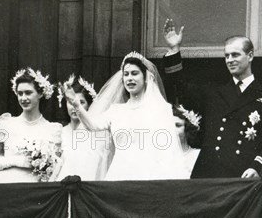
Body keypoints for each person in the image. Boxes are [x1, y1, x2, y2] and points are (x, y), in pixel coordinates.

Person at [163, 19, 262, 179]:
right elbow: (182, 90)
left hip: (244, 174)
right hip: (211, 174)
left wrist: (257, 166)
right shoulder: (213, 93)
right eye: (226, 56)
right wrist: (174, 50)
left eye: (235, 55)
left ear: (251, 55)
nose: (230, 60)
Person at [69, 52, 189, 180]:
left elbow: (167, 153)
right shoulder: (116, 111)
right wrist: (77, 106)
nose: (129, 78)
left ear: (146, 78)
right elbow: (92, 125)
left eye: (134, 73)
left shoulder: (160, 109)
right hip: (119, 174)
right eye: (126, 74)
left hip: (149, 176)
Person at [0, 68, 62, 183]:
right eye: (20, 93)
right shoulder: (6, 125)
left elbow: (56, 167)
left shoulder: (53, 129)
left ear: (40, 93)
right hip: (5, 184)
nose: (23, 98)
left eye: (28, 93)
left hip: (35, 189)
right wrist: (17, 161)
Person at [52, 74, 103, 181]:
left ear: (89, 105)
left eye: (81, 102)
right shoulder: (60, 132)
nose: (74, 106)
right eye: (71, 102)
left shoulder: (95, 135)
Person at [172, 104, 201, 176]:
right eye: (169, 124)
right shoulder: (160, 157)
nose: (172, 129)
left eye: (178, 125)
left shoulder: (197, 155)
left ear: (187, 129)